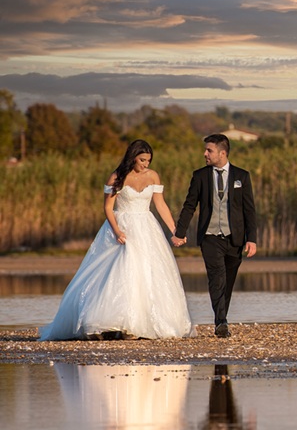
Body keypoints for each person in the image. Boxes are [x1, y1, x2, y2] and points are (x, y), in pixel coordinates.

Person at [39, 140, 195, 341]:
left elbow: (160, 205)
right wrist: (117, 230)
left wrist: (175, 230)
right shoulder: (117, 177)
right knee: (120, 272)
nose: (145, 164)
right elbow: (107, 208)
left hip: (146, 226)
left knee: (146, 272)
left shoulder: (153, 176)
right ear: (132, 157)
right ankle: (112, 322)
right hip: (122, 225)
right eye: (142, 160)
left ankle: (139, 324)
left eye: (148, 160)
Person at [172, 133, 257, 338]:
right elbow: (190, 205)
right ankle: (221, 322)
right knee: (216, 277)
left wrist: (251, 238)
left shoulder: (241, 176)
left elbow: (249, 210)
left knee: (227, 280)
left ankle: (222, 319)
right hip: (209, 237)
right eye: (206, 150)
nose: (205, 154)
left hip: (234, 238)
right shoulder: (200, 176)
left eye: (209, 150)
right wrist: (180, 232)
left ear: (222, 152)